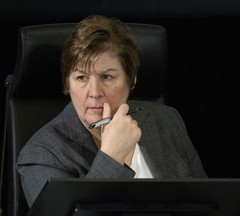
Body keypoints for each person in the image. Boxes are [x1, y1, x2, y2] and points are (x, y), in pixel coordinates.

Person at [16, 15, 207, 207]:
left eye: (107, 77)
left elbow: (206, 206)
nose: (94, 93)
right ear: (67, 83)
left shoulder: (166, 121)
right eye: (81, 78)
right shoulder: (41, 154)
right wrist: (111, 156)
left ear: (131, 80)